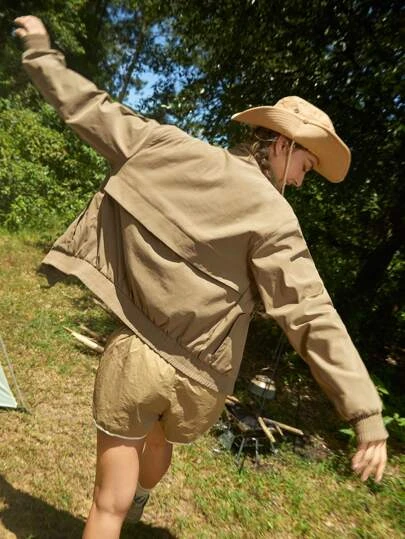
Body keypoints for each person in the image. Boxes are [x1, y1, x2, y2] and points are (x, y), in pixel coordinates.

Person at [15, 15, 388, 539]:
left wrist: (39, 49)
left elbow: (88, 108)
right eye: (307, 165)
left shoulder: (170, 148)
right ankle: (143, 492)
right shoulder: (276, 217)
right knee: (160, 440)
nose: (304, 181)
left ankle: (126, 502)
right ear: (282, 144)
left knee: (106, 507)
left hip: (137, 356)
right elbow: (309, 311)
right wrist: (365, 413)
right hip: (199, 383)